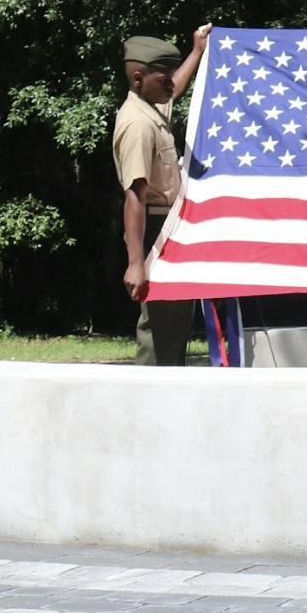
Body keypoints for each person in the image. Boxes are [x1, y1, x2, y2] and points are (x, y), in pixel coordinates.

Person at [113, 27, 210, 366]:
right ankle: (148, 400)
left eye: (170, 74)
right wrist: (137, 263)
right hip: (152, 228)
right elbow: (134, 197)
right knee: (161, 329)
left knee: (174, 324)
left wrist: (197, 50)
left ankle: (165, 394)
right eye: (163, 77)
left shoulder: (151, 107)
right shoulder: (137, 125)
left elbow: (177, 88)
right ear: (139, 77)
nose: (171, 82)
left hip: (166, 225)